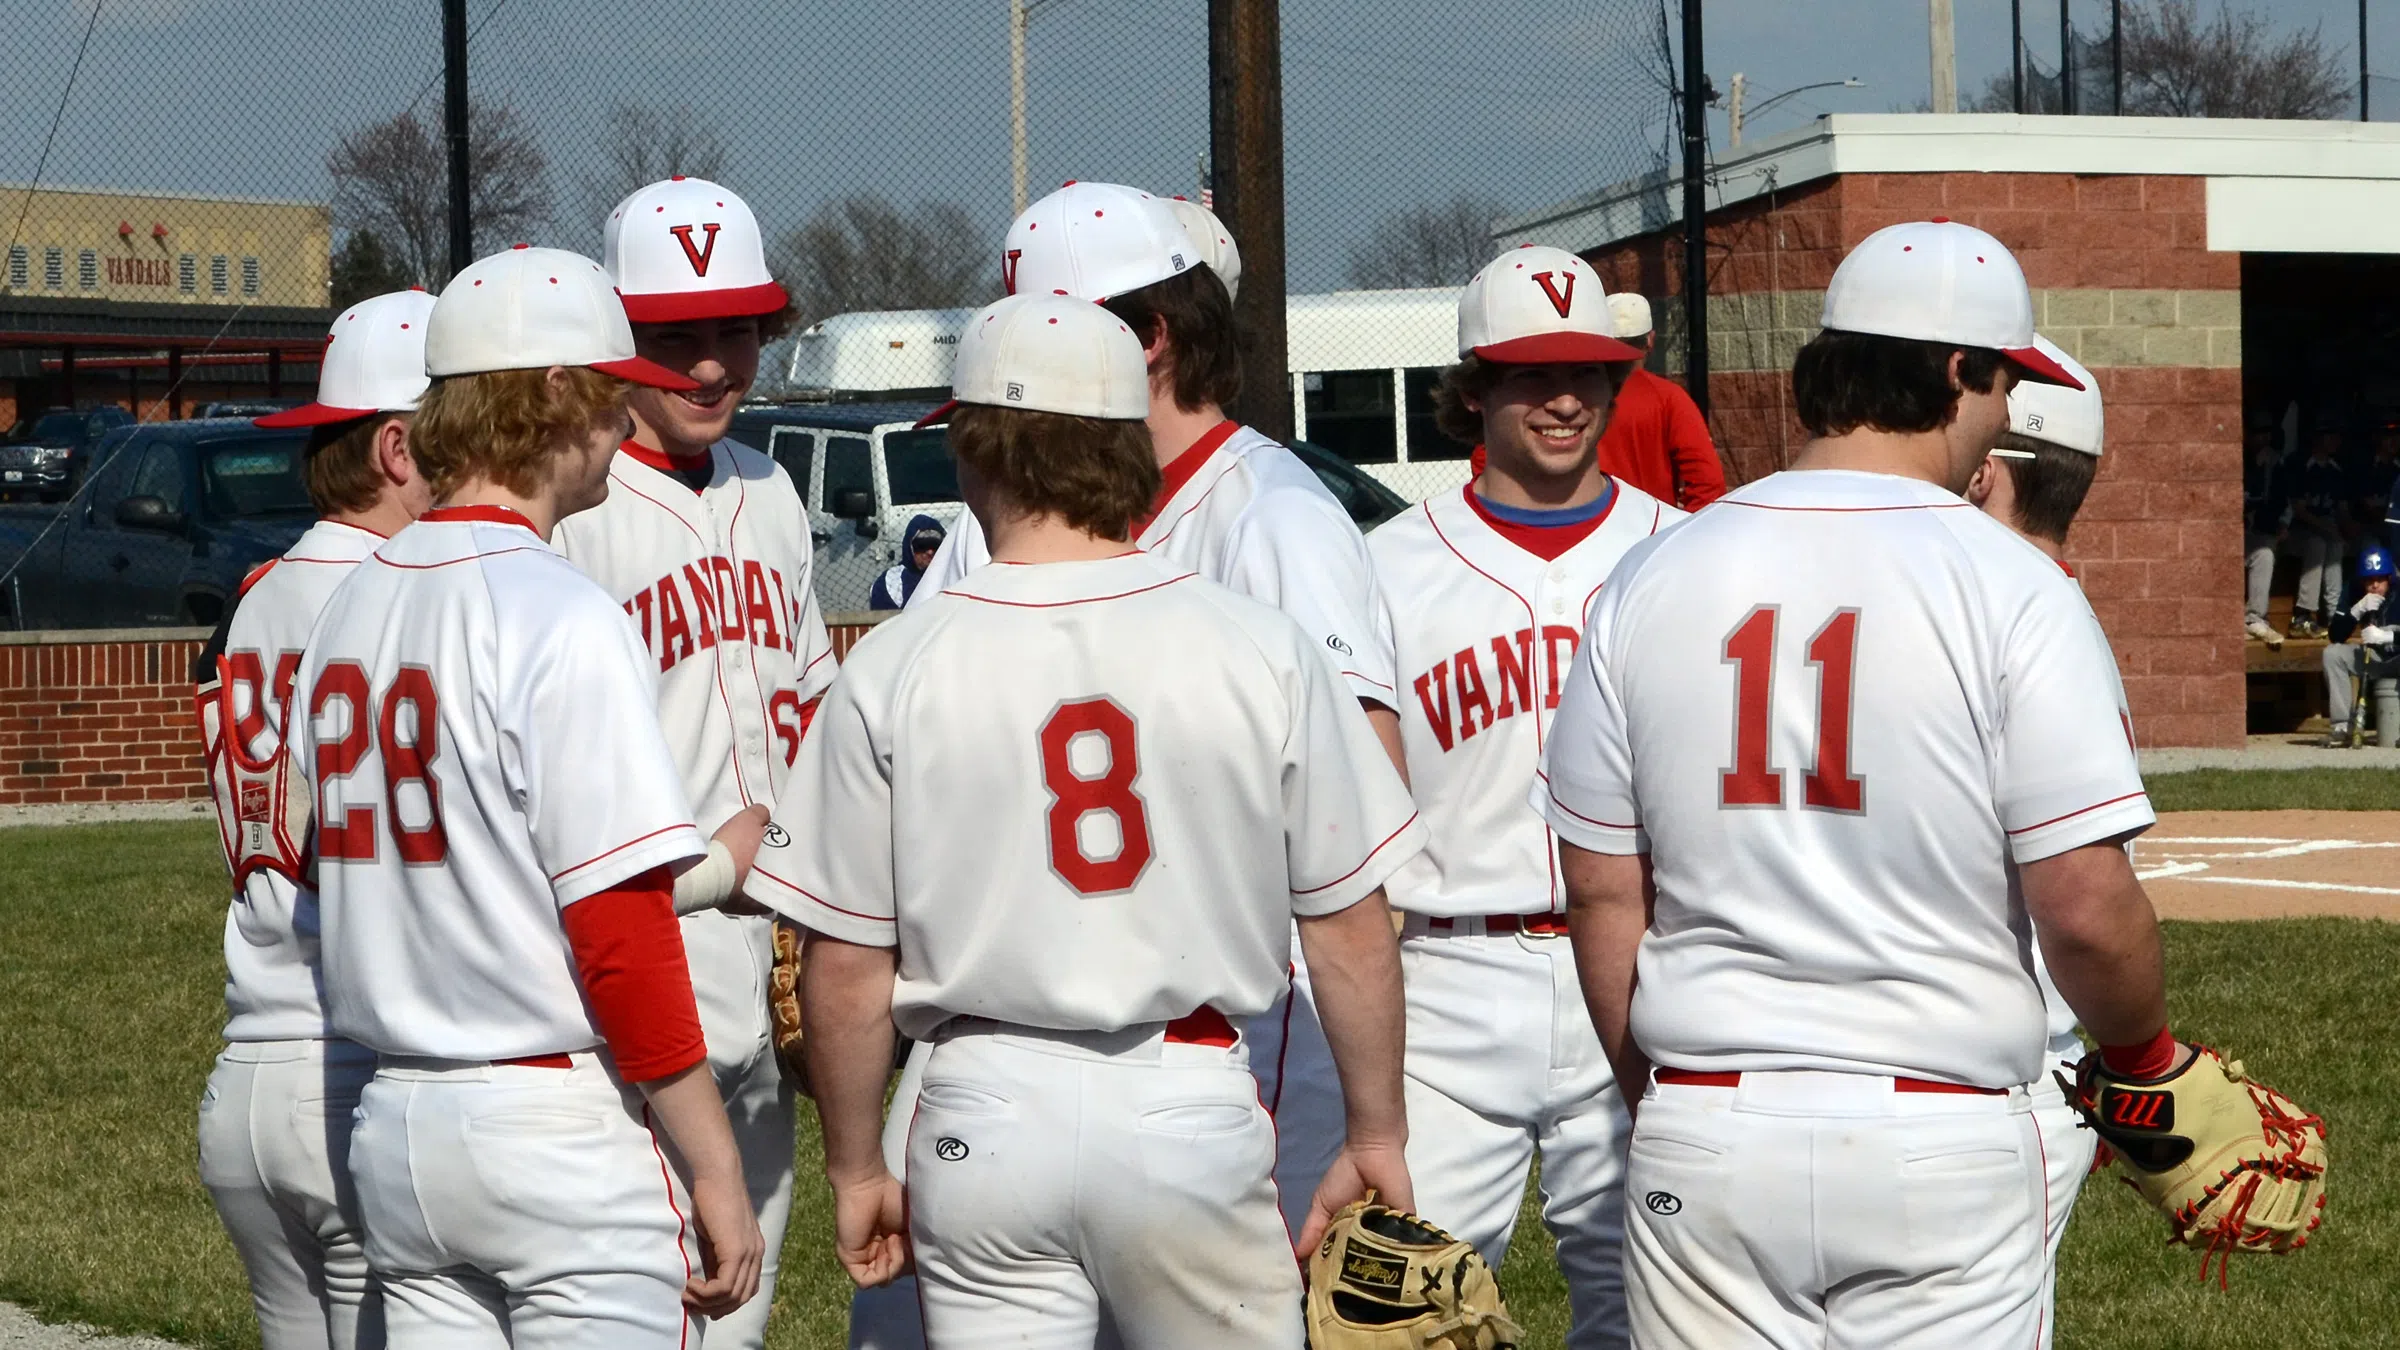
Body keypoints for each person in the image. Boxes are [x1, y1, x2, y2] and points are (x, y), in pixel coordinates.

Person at [1541, 219, 2181, 1348]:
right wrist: (2146, 1063)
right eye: (2001, 385)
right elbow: (2083, 901)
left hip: (1707, 1116)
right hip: (1938, 1136)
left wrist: (1664, 1100)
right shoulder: (2013, 586)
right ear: (1956, 374)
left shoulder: (1654, 569)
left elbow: (1601, 893)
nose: (1998, 415)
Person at [751, 292, 1422, 1349]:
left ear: (975, 450)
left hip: (982, 1105)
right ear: (1126, 443)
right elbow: (1349, 929)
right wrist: (1377, 1127)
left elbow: (842, 966)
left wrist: (854, 1163)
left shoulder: (896, 661)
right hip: (1186, 1096)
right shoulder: (1257, 646)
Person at [295, 244, 764, 1347]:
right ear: (558, 393)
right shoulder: (558, 609)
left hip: (398, 1123)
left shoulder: (350, 603)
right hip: (553, 1128)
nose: (624, 420)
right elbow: (617, 929)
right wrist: (715, 1166)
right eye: (614, 391)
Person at [1364, 245, 1679, 1350]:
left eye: (1587, 371)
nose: (1563, 398)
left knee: (1652, 1309)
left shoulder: (1684, 554)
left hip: (1645, 970)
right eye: (1530, 373)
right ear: (1474, 390)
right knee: (1404, 1318)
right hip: (1448, 974)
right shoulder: (1388, 566)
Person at [550, 177, 834, 1348]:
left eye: (737, 329)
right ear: (616, 344)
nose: (714, 364)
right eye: (677, 338)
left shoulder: (770, 490)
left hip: (766, 951)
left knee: (741, 1304)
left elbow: (809, 699)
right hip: (637, 953)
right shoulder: (573, 505)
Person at [192, 289, 437, 1350]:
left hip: (247, 1060)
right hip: (349, 1075)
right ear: (396, 448)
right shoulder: (400, 594)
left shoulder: (259, 590)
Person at [1963, 334, 2115, 1350]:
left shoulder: (2005, 621)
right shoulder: (2056, 614)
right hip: (2032, 1061)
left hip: (1996, 1072)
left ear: (1984, 474)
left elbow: (2082, 899)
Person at [1592, 292, 1724, 510]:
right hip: (1653, 534)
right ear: (1650, 340)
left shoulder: (1575, 397)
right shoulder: (1669, 398)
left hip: (1592, 533)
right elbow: (1709, 483)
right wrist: (1680, 534)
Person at [2321, 545, 2400, 747]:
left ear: (2389, 577)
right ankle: (2341, 728)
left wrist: (2389, 636)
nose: (2374, 585)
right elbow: (2335, 635)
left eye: (2379, 579)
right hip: (2374, 658)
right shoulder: (2353, 590)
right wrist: (2356, 610)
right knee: (2333, 654)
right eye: (2369, 580)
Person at [2286, 418, 2350, 637]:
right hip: (2295, 533)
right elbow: (2299, 510)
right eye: (2329, 435)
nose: (2335, 440)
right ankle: (2302, 615)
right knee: (2318, 543)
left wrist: (2347, 528)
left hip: (2326, 530)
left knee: (2335, 544)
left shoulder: (2336, 469)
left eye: (2337, 436)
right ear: (2316, 438)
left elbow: (2342, 509)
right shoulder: (2300, 464)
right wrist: (2329, 529)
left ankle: (2334, 614)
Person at [2244, 414, 2288, 648]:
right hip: (2221, 540)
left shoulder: (2273, 465)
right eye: (2258, 434)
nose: (2263, 439)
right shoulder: (2238, 459)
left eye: (2266, 434)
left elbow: (2280, 503)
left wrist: (2282, 524)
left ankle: (2255, 618)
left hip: (2254, 536)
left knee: (2265, 553)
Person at [867, 514, 945, 610]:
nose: (930, 552)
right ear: (909, 547)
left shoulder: (952, 574)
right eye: (922, 546)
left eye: (935, 546)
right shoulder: (892, 581)